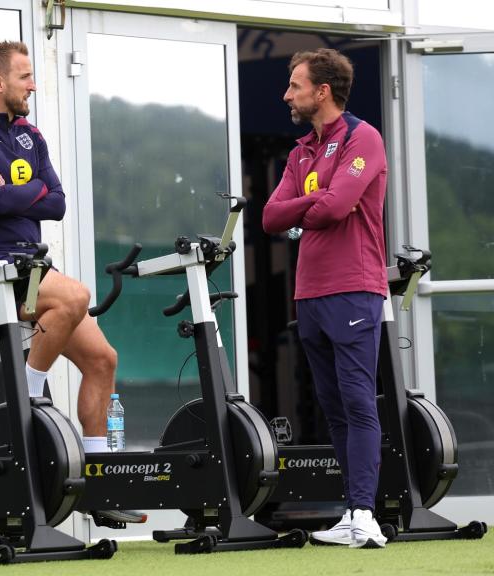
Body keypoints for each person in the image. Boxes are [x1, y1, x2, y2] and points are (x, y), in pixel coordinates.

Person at [0, 41, 145, 525]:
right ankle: (26, 398)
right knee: (75, 295)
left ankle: (98, 486)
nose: (33, 84)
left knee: (102, 359)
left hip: (30, 267)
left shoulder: (30, 136)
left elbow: (58, 203)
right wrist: (21, 193)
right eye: (25, 76)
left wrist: (10, 190)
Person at [262, 48, 388, 548]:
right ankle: (352, 511)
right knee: (333, 407)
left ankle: (365, 514)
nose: (286, 94)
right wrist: (318, 202)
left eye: (295, 85)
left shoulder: (364, 137)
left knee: (358, 403)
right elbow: (271, 218)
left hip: (354, 288)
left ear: (323, 91)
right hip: (309, 292)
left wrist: (308, 206)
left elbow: (338, 209)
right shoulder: (299, 152)